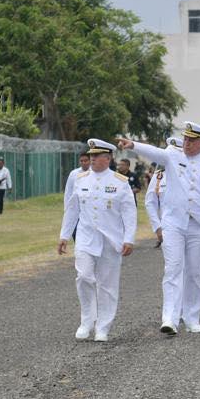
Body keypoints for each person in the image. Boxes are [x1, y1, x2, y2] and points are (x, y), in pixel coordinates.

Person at [118, 122, 200, 335]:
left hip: (198, 225)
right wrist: (132, 145)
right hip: (174, 223)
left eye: (192, 140)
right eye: (185, 139)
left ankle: (192, 317)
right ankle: (169, 318)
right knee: (173, 268)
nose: (187, 143)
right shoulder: (173, 157)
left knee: (195, 272)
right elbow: (154, 152)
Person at [58, 139, 136, 342]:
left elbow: (129, 213)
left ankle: (103, 327)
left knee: (107, 285)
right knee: (83, 276)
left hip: (111, 240)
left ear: (108, 158)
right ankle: (86, 321)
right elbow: (72, 209)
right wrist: (64, 235)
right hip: (86, 237)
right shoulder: (80, 179)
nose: (91, 159)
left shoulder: (120, 182)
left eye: (96, 156)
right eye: (90, 156)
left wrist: (129, 238)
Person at [144, 137, 182, 249]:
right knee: (173, 265)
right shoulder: (159, 176)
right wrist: (157, 227)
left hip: (191, 228)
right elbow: (150, 202)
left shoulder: (192, 173)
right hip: (168, 228)